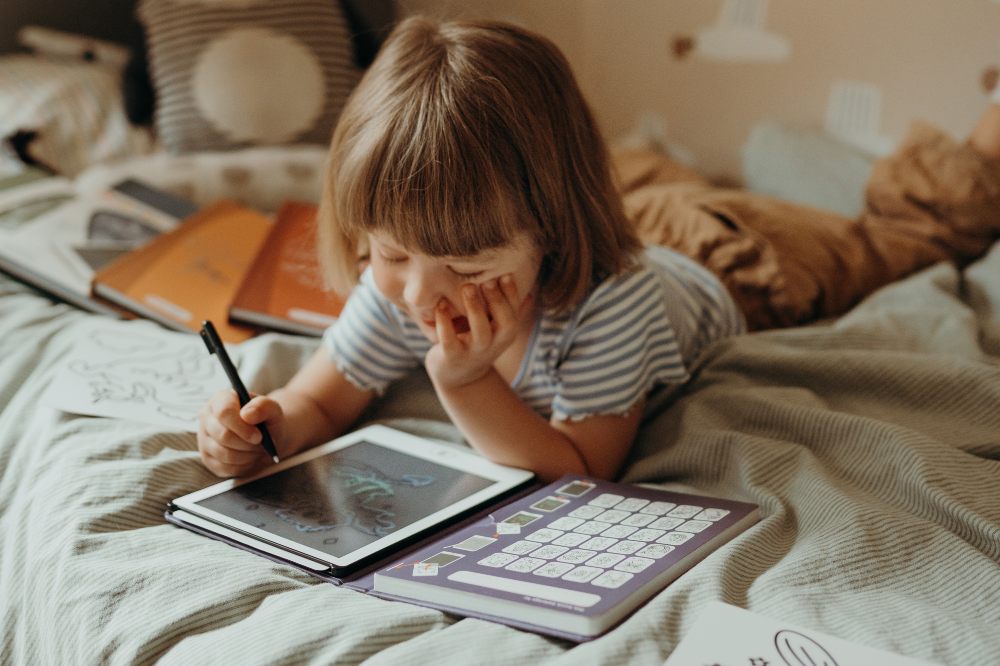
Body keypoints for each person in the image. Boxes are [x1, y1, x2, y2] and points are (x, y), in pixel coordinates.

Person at [198, 16, 1000, 482]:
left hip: (742, 261)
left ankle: (986, 139)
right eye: (389, 254)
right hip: (634, 210)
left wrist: (465, 384)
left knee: (903, 241)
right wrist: (258, 433)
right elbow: (320, 402)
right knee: (647, 178)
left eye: (468, 266)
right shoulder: (406, 282)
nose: (420, 295)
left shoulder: (610, 305)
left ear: (548, 226)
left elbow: (580, 468)